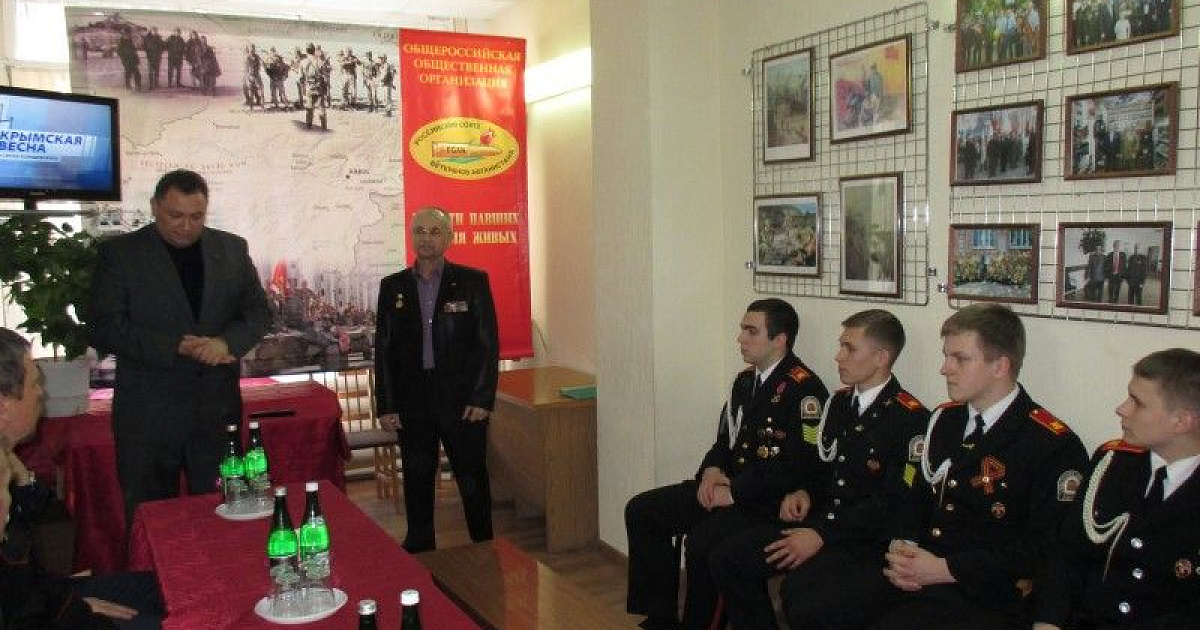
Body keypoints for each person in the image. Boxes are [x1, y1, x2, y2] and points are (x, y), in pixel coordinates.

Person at [710, 309, 929, 630]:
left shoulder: (910, 418)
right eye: (841, 346)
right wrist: (805, 492)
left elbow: (891, 501)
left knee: (805, 599)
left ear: (881, 357)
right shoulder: (838, 404)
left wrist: (822, 534)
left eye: (849, 348)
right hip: (821, 520)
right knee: (729, 558)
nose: (838, 356)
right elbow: (821, 468)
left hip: (864, 539)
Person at [625, 298, 830, 630]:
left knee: (703, 542)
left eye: (751, 331)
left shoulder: (804, 391)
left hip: (762, 500)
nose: (741, 339)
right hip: (728, 485)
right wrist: (711, 471)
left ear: (779, 340)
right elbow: (726, 439)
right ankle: (660, 616)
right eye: (742, 330)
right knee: (643, 510)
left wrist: (734, 492)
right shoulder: (746, 381)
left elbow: (796, 466)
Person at [88, 169, 270, 526]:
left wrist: (226, 342)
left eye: (196, 217)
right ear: (154, 207)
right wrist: (175, 347)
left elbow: (258, 314)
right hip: (148, 418)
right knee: (151, 522)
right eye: (176, 216)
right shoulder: (121, 255)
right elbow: (104, 328)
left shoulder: (232, 250)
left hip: (216, 413)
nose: (186, 226)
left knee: (224, 515)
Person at [0, 327, 166, 629]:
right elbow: (16, 602)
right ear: (4, 404)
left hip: (41, 593)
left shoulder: (6, 456)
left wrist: (21, 475)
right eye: (35, 384)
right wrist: (67, 605)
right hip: (37, 610)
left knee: (168, 588)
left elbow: (27, 524)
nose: (41, 394)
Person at [1034, 348, 1200, 629]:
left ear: (1181, 421)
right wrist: (1047, 622)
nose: (1122, 409)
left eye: (1138, 403)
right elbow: (1067, 558)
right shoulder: (1111, 464)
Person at [374, 206, 499, 553]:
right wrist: (386, 404)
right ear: (412, 236)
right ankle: (420, 544)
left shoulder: (473, 282)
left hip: (462, 402)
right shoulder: (393, 287)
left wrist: (482, 398)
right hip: (412, 400)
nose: (426, 238)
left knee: (471, 477)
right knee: (417, 477)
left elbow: (488, 344)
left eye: (435, 231)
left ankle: (484, 545)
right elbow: (383, 349)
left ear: (449, 238)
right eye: (420, 231)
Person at [297, 43, 327, 129]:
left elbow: (301, 78)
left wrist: (303, 88)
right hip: (319, 86)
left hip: (309, 87)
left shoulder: (303, 62)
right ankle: (324, 127)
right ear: (314, 51)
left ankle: (308, 127)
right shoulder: (320, 61)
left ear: (306, 51)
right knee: (321, 107)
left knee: (309, 108)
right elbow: (325, 76)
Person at [116, 28, 141, 92]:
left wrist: (137, 59)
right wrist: (124, 59)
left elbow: (134, 51)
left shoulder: (130, 40)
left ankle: (138, 86)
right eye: (125, 34)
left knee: (137, 73)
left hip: (133, 61)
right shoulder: (121, 41)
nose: (127, 35)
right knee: (128, 74)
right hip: (127, 61)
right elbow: (118, 51)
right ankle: (128, 87)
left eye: (128, 34)